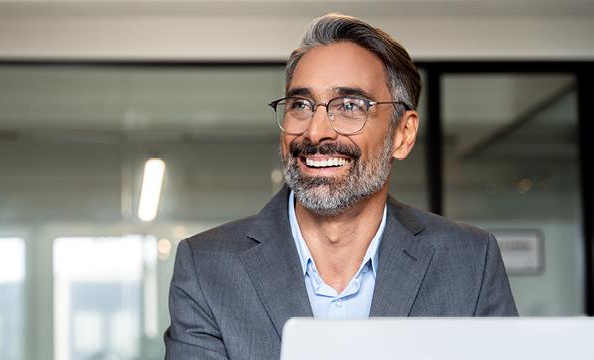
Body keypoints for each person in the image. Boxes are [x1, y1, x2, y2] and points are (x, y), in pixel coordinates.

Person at [163, 13, 518, 360]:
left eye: (349, 106)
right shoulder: (208, 267)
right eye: (300, 105)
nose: (316, 132)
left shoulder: (468, 260)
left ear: (403, 134)